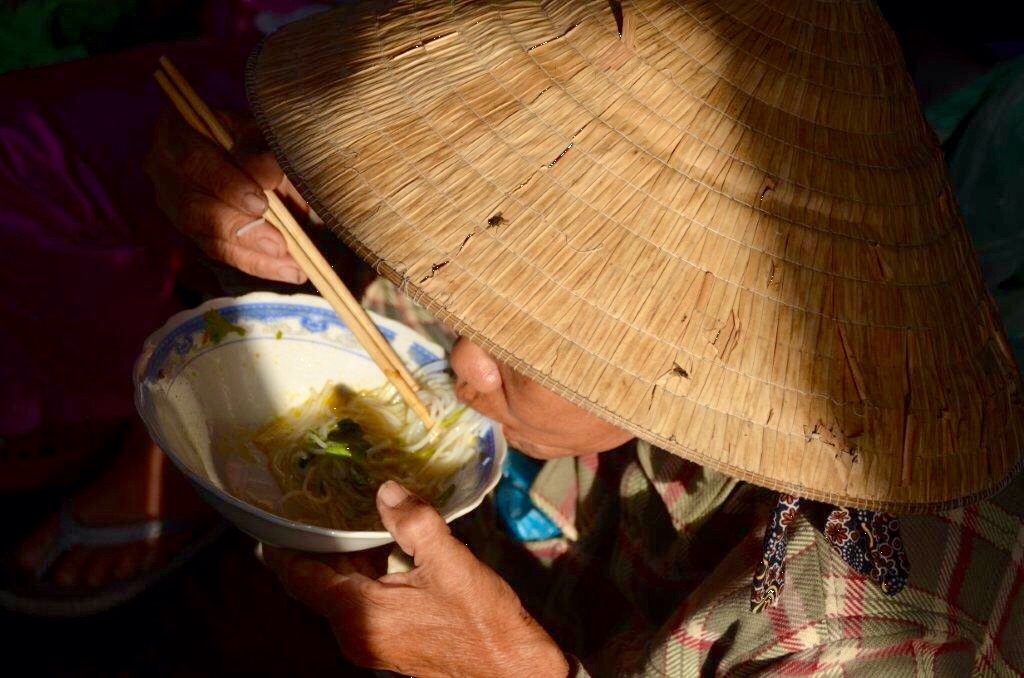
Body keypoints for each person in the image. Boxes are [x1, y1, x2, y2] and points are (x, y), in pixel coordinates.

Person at [142, 2, 1024, 674]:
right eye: (477, 308)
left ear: (719, 346)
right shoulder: (560, 347)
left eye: (532, 342)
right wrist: (254, 228)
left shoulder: (877, 628)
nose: (462, 362)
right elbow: (363, 311)